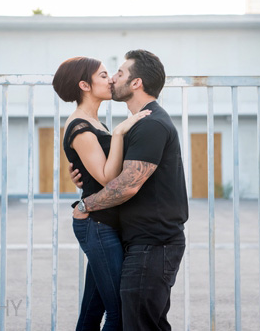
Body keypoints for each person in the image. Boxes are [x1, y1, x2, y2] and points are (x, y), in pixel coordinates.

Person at [73, 49, 189, 331]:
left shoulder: (151, 125)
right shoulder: (137, 125)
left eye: (120, 73)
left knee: (141, 325)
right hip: (140, 241)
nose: (113, 78)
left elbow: (128, 185)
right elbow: (113, 176)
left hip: (154, 243)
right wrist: (86, 178)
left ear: (136, 83)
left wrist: (85, 205)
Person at [53, 56, 150, 330]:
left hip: (104, 221)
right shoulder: (81, 127)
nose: (111, 80)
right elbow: (108, 177)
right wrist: (120, 133)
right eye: (104, 75)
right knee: (119, 312)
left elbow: (97, 172)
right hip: (97, 224)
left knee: (92, 312)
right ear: (84, 84)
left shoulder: (93, 123)